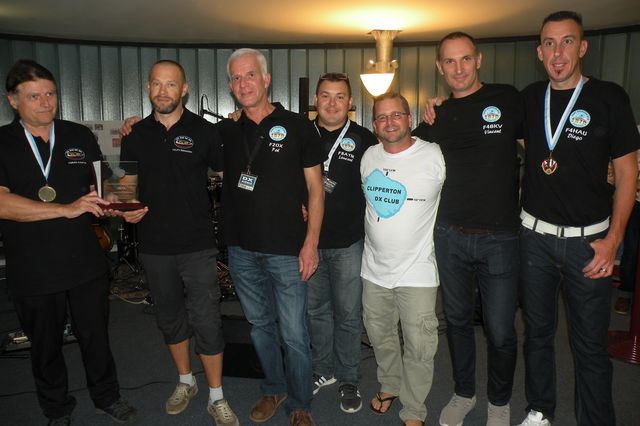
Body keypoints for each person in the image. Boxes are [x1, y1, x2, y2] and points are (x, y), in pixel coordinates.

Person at [518, 11, 640, 426]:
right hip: (534, 240)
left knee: (589, 345)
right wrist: (439, 107)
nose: (558, 52)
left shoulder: (610, 98)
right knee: (537, 335)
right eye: (549, 43)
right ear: (539, 52)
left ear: (583, 47)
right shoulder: (530, 98)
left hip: (590, 244)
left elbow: (627, 174)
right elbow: (502, 130)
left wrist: (613, 241)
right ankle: (540, 410)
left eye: (567, 41)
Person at [0, 59, 136, 425]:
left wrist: (125, 203)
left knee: (96, 336)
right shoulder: (3, 142)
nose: (45, 102)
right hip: (32, 267)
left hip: (84, 261)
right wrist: (66, 209)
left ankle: (107, 396)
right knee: (45, 345)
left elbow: (102, 184)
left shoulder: (77, 135)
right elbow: (2, 203)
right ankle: (56, 408)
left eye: (50, 94)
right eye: (34, 96)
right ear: (13, 100)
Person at [119, 60, 238, 426]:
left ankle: (216, 395)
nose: (163, 91)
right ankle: (185, 381)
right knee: (169, 318)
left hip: (197, 244)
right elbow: (127, 181)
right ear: (148, 87)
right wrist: (125, 206)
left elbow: (228, 173)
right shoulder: (135, 134)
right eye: (156, 84)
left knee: (207, 320)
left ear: (184, 89)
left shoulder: (204, 131)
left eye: (171, 84)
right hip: (154, 245)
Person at [413, 32, 521, 426]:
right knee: (457, 322)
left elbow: (544, 144)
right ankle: (463, 393)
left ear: (478, 60)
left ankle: (499, 402)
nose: (458, 68)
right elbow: (402, 152)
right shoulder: (437, 115)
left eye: (464, 59)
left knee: (501, 330)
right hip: (451, 236)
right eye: (449, 61)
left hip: (501, 237)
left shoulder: (507, 98)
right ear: (440, 67)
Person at [217, 48, 324, 426]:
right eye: (235, 78)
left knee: (294, 333)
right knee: (260, 327)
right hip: (241, 248)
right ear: (230, 86)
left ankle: (300, 403)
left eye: (250, 75)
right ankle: (274, 388)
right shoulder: (227, 131)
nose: (243, 83)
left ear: (265, 79)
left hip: (287, 249)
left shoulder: (298, 126)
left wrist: (311, 243)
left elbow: (316, 190)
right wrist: (135, 126)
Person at [361, 92, 445, 426]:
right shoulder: (368, 157)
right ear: (374, 124)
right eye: (382, 117)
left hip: (417, 270)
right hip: (374, 269)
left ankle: (413, 409)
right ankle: (390, 385)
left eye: (396, 114)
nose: (390, 122)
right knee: (380, 336)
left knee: (420, 344)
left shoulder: (434, 155)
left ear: (410, 119)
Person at [306, 72, 377, 413]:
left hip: (349, 241)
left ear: (350, 102)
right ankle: (323, 370)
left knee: (348, 314)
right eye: (325, 95)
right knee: (315, 311)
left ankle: (349, 378)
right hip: (308, 242)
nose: (332, 103)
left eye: (339, 97)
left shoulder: (365, 139)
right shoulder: (301, 134)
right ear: (315, 100)